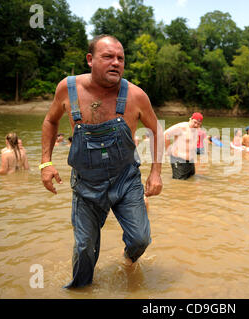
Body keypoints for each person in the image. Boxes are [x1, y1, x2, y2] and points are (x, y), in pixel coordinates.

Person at [40, 35, 163, 289]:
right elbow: (51, 121)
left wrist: (156, 173)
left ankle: (129, 259)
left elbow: (156, 131)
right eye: (108, 57)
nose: (116, 63)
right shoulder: (68, 89)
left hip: (126, 180)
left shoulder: (136, 96)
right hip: (86, 183)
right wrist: (45, 163)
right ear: (90, 60)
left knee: (141, 239)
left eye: (120, 58)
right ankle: (80, 291)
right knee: (84, 249)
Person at [164, 112, 202, 180]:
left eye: (198, 124)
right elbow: (166, 134)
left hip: (190, 161)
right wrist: (168, 150)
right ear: (190, 119)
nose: (196, 125)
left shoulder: (196, 129)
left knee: (191, 179)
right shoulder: (181, 127)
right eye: (195, 122)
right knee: (179, 183)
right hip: (179, 160)